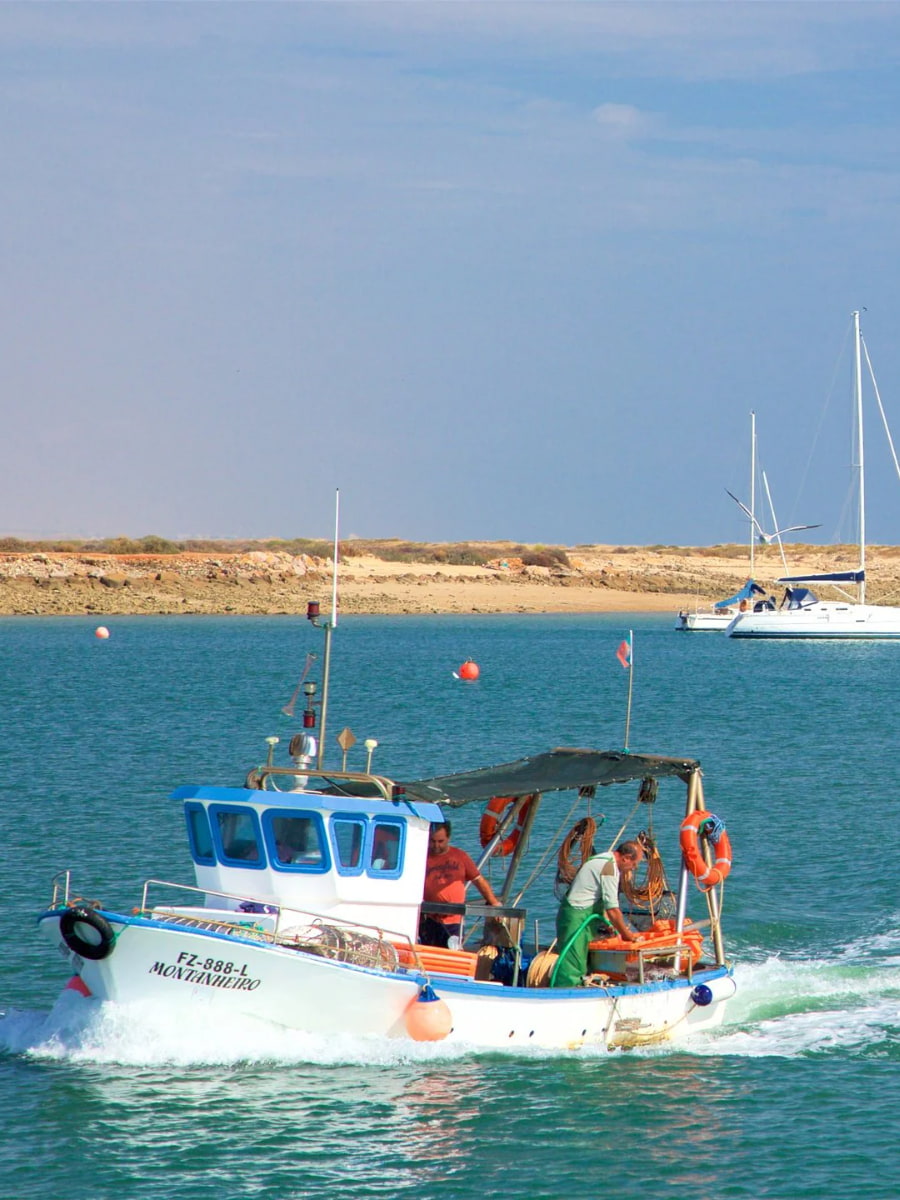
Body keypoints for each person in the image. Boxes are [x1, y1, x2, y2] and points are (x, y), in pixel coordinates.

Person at [551, 840, 645, 987]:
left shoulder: (603, 858)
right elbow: (613, 909)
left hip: (583, 915)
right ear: (626, 858)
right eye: (634, 865)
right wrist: (628, 936)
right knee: (572, 962)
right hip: (577, 916)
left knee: (581, 958)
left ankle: (579, 985)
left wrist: (607, 923)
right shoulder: (610, 869)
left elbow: (597, 896)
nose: (633, 868)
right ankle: (565, 992)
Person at [420, 820, 501, 947]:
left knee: (452, 955)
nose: (436, 845)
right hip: (430, 919)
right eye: (432, 841)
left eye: (440, 841)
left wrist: (494, 903)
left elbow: (478, 880)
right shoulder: (421, 857)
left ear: (448, 838)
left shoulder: (460, 856)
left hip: (454, 922)